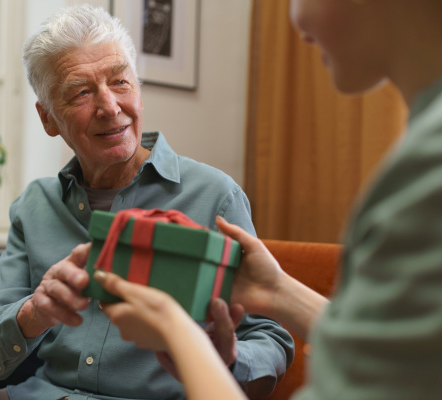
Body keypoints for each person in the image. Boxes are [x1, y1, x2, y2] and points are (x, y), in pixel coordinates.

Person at [93, 0, 442, 399]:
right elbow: (397, 360)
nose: (295, 19)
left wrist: (176, 330)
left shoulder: (427, 171)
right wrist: (276, 291)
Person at [0, 4, 294, 400]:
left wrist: (225, 358)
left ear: (138, 88)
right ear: (48, 118)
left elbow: (271, 339)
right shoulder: (34, 206)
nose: (110, 106)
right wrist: (35, 312)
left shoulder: (214, 196)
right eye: (82, 92)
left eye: (120, 82)